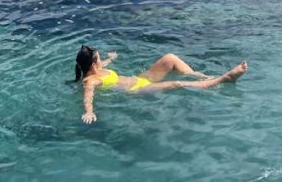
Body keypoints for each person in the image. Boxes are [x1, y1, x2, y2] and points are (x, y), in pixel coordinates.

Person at [74, 45, 248, 124]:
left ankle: (201, 76)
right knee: (177, 84)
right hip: (137, 89)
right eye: (99, 58)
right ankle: (224, 79)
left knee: (170, 58)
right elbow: (88, 95)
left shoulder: (95, 69)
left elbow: (102, 65)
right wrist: (89, 111)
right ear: (93, 65)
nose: (101, 60)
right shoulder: (91, 80)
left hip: (141, 78)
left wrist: (110, 59)